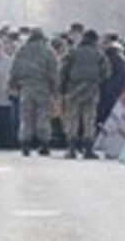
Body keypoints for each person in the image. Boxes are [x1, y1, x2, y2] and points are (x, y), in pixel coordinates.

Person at [59, 29, 110, 159]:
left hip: (73, 89)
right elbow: (107, 72)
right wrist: (97, 79)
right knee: (89, 119)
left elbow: (62, 70)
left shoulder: (72, 51)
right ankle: (88, 149)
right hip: (91, 89)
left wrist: (61, 88)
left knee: (72, 119)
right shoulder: (99, 53)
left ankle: (71, 149)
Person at [8, 27, 58, 155]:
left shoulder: (22, 51)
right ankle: (44, 143)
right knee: (43, 115)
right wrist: (55, 88)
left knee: (26, 116)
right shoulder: (48, 51)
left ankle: (25, 143)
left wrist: (12, 85)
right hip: (43, 87)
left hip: (26, 87)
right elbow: (53, 71)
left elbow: (14, 69)